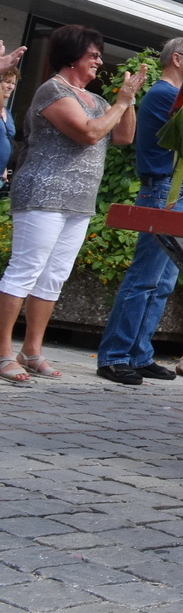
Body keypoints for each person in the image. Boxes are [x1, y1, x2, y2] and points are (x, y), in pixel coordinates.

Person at [0, 26, 145, 384]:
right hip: (43, 195)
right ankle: (3, 351)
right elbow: (89, 133)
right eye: (93, 54)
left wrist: (128, 100)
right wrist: (122, 102)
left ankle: (32, 351)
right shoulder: (52, 90)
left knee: (53, 278)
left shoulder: (95, 100)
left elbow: (124, 137)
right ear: (73, 56)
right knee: (25, 270)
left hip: (78, 202)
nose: (99, 60)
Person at [93, 38, 183, 385]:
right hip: (164, 190)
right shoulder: (165, 95)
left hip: (176, 189)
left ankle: (138, 353)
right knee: (145, 279)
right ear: (178, 59)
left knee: (163, 281)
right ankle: (116, 356)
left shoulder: (173, 95)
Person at [0, 66, 17, 187]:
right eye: (7, 82)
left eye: (13, 83)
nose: (11, 87)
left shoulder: (7, 111)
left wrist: (5, 167)